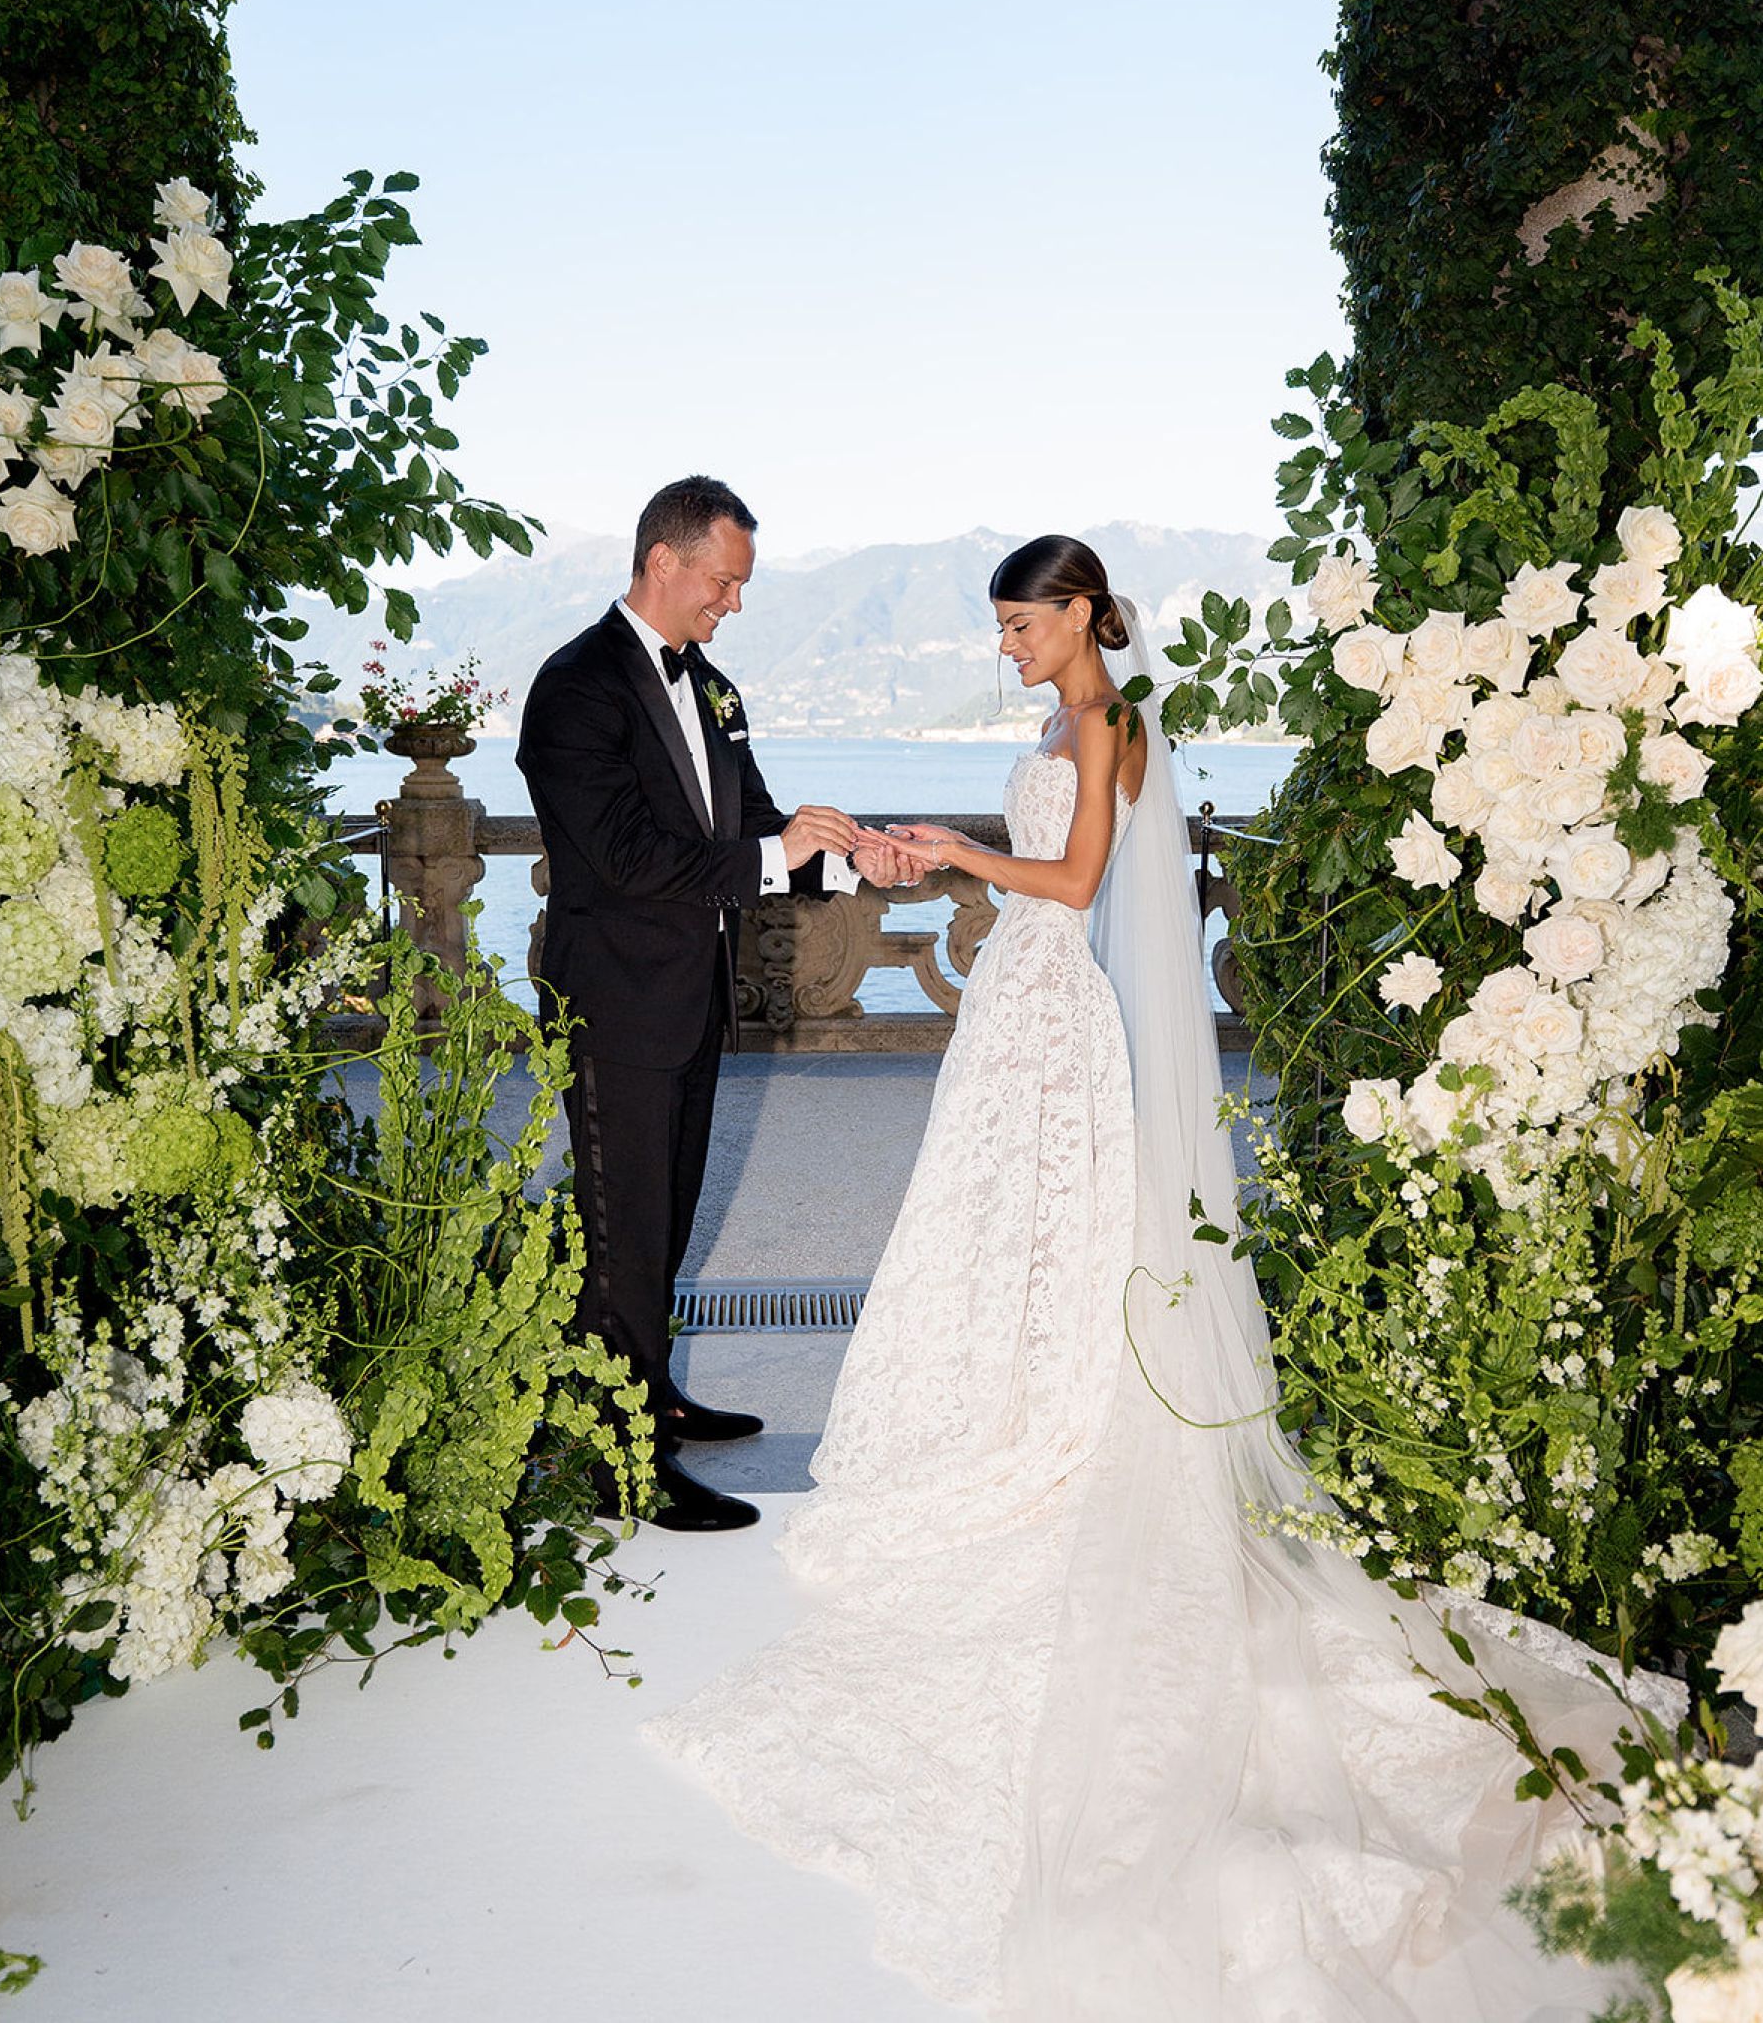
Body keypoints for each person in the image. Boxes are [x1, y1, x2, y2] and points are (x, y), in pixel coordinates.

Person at [648, 534, 1646, 2015]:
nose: (1006, 646)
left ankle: (1057, 1422)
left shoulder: (1111, 720)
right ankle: (1004, 1405)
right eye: (999, 627)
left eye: (1019, 624)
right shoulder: (1064, 721)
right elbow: (1041, 875)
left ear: (1078, 613)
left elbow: (1074, 879)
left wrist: (961, 857)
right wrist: (930, 850)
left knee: (1054, 1211)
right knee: (1006, 1221)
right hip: (1020, 991)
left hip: (1054, 993)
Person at [516, 475, 923, 1534]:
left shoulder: (713, 688)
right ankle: (621, 1459)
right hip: (612, 1003)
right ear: (664, 560)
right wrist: (775, 851)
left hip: (692, 997)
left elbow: (751, 827)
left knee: (665, 1214)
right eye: (725, 582)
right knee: (622, 1230)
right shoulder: (575, 687)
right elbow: (623, 857)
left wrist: (851, 856)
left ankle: (652, 1390)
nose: (734, 602)